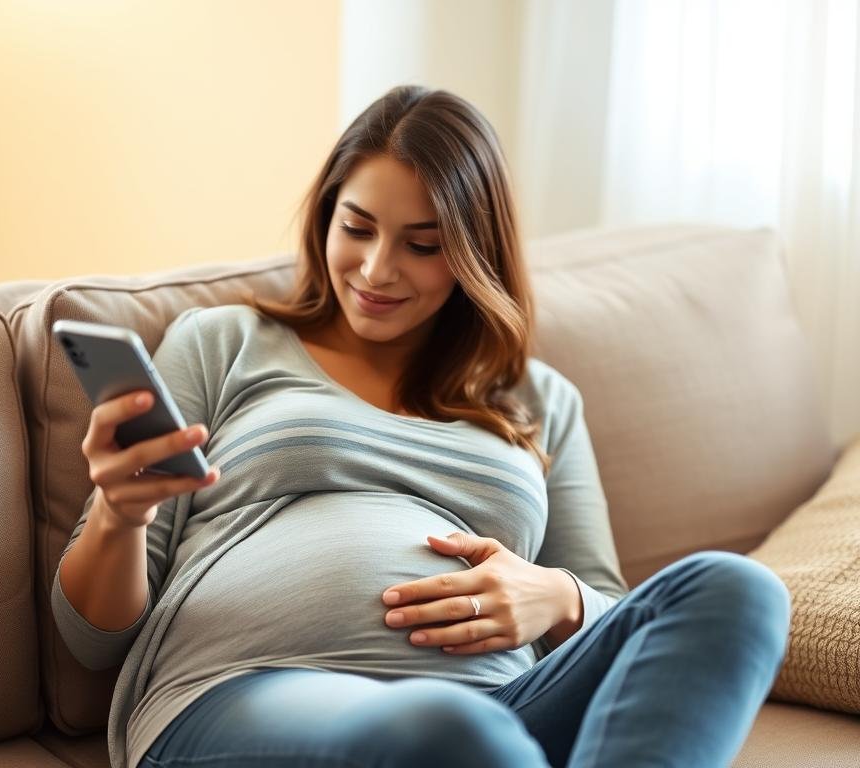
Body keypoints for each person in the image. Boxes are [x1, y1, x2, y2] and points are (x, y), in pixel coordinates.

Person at [52, 85, 792, 768]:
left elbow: (615, 615)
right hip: (240, 692)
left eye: (423, 244)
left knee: (737, 591)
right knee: (453, 735)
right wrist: (121, 512)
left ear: (473, 252)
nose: (376, 271)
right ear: (326, 217)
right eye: (358, 228)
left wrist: (557, 597)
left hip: (503, 711)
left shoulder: (542, 402)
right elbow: (91, 639)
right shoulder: (224, 341)